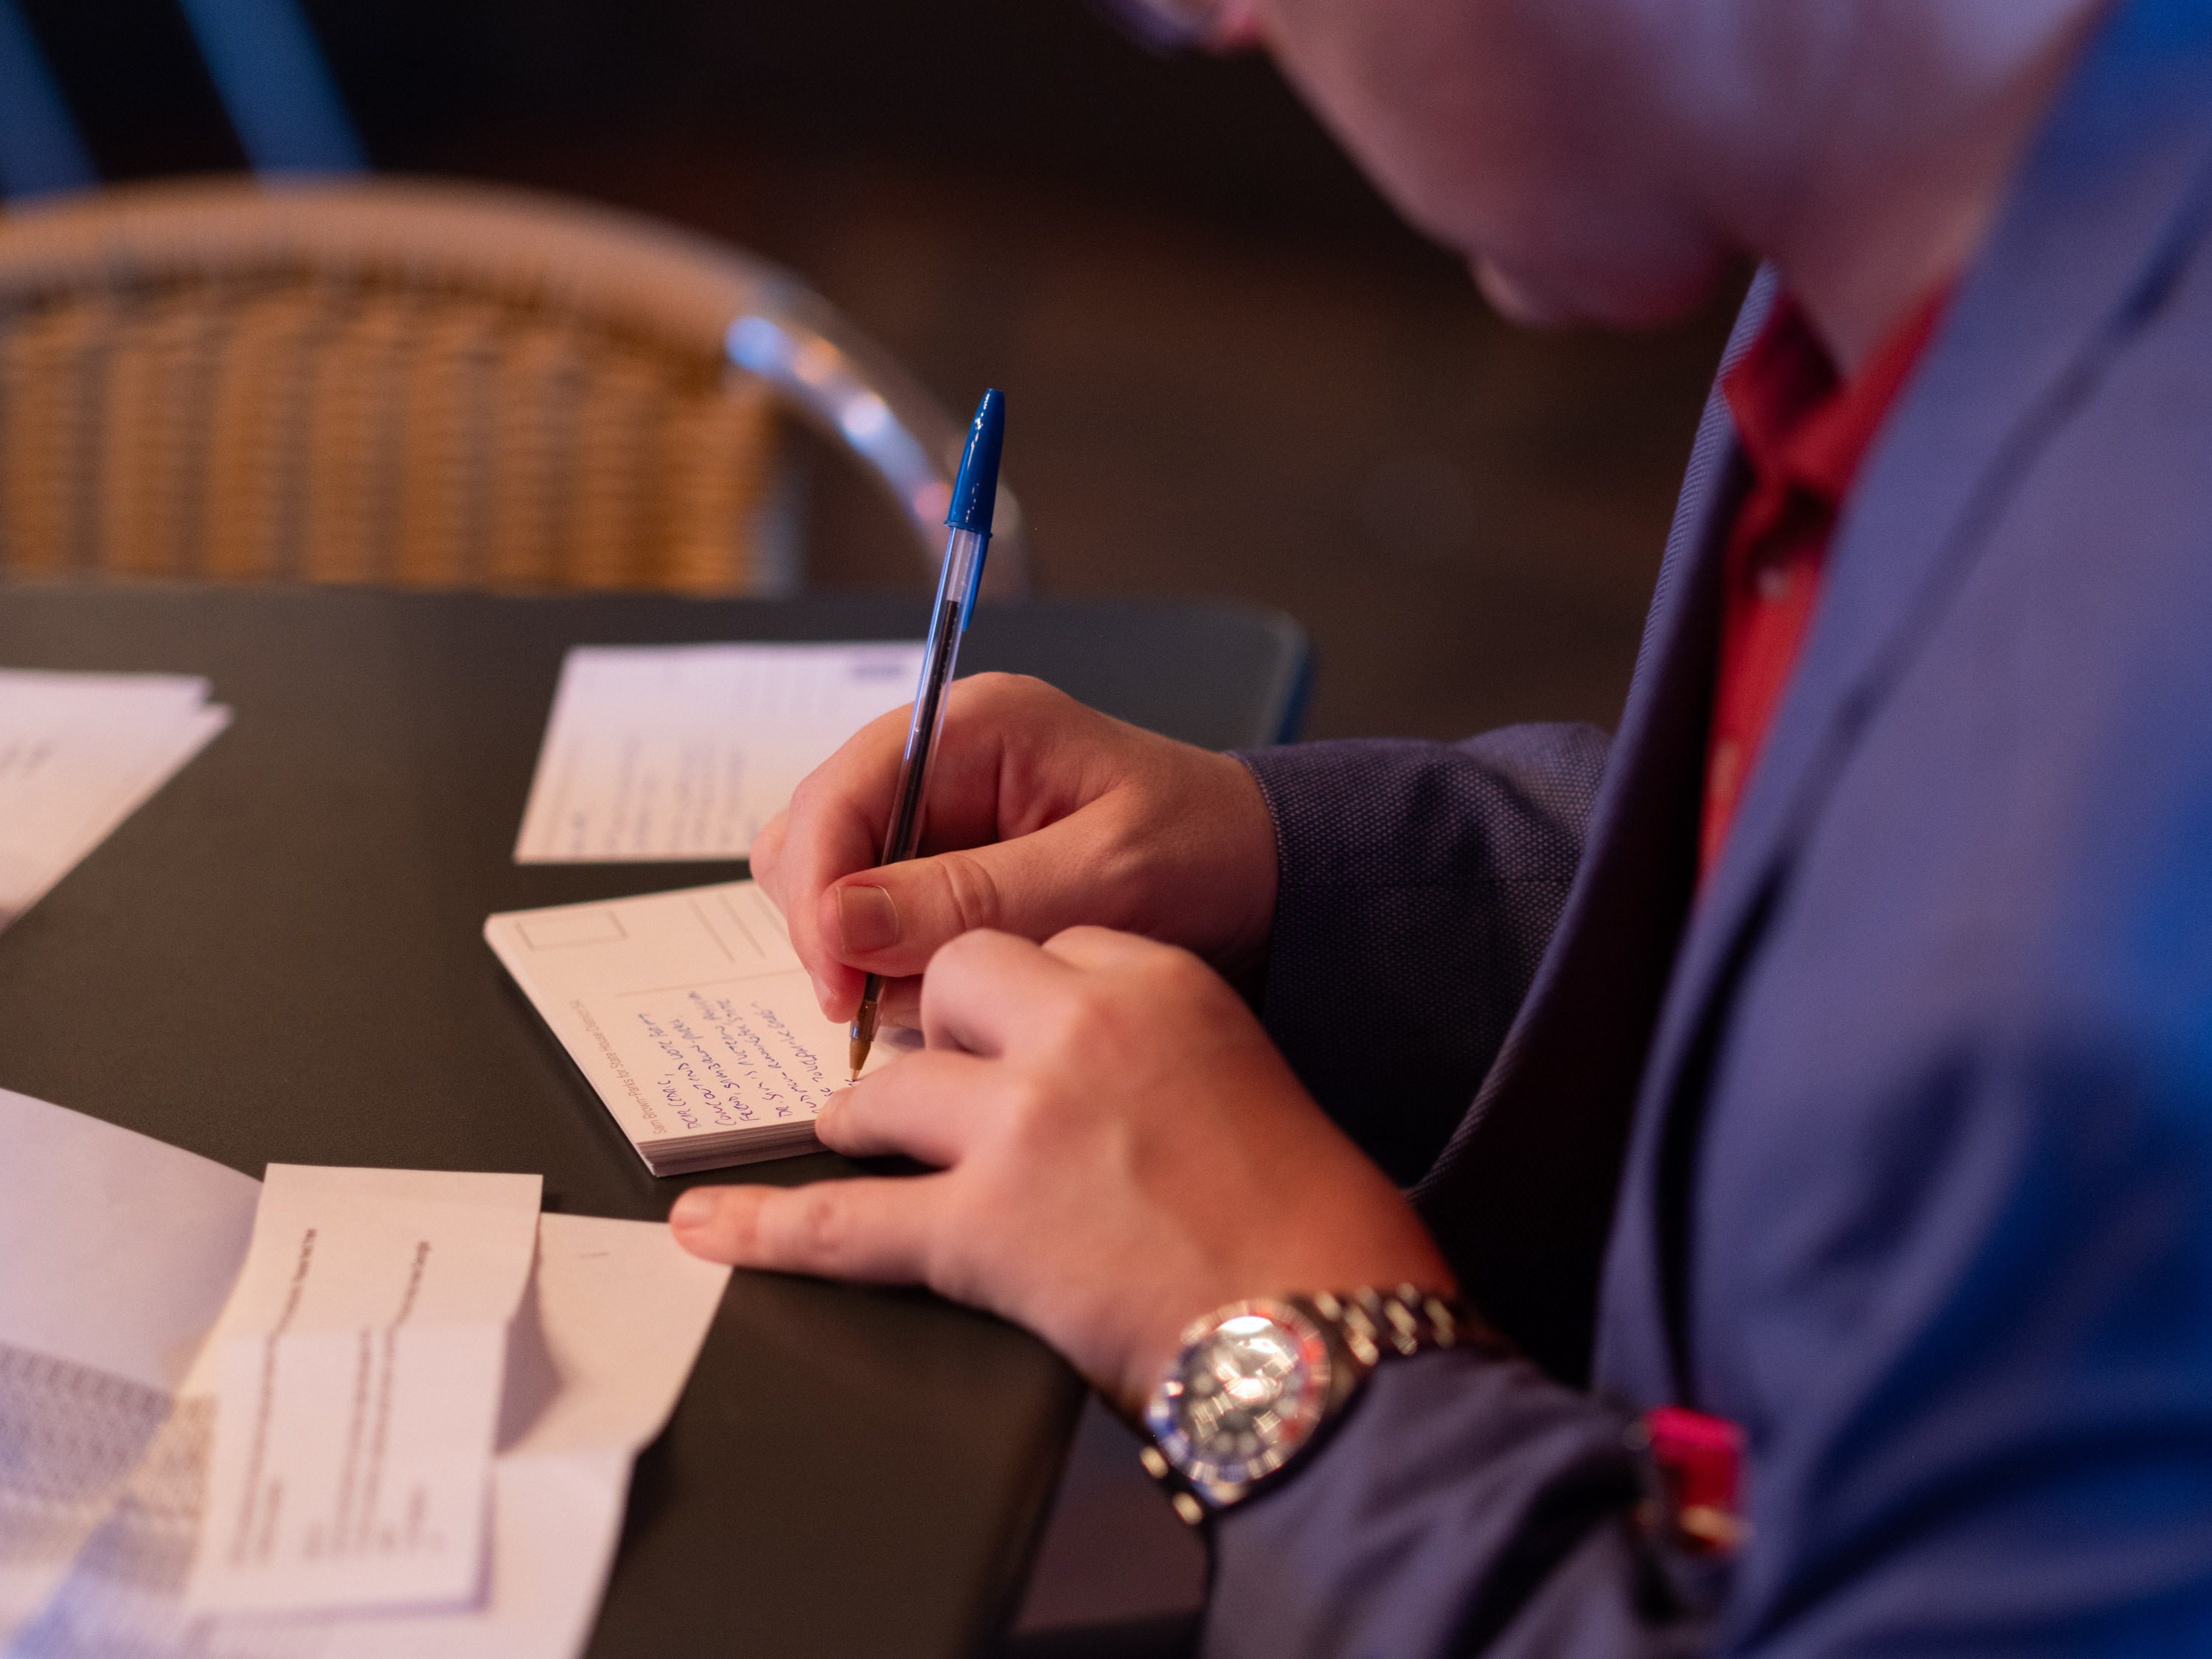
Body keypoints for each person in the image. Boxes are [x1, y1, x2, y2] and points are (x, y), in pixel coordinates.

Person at [672, 0, 2212, 1650]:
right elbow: (1844, 932)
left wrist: (1273, 1339)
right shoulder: (1916, 255)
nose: (1211, 31)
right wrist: (1291, 871)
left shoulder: (2122, 796)